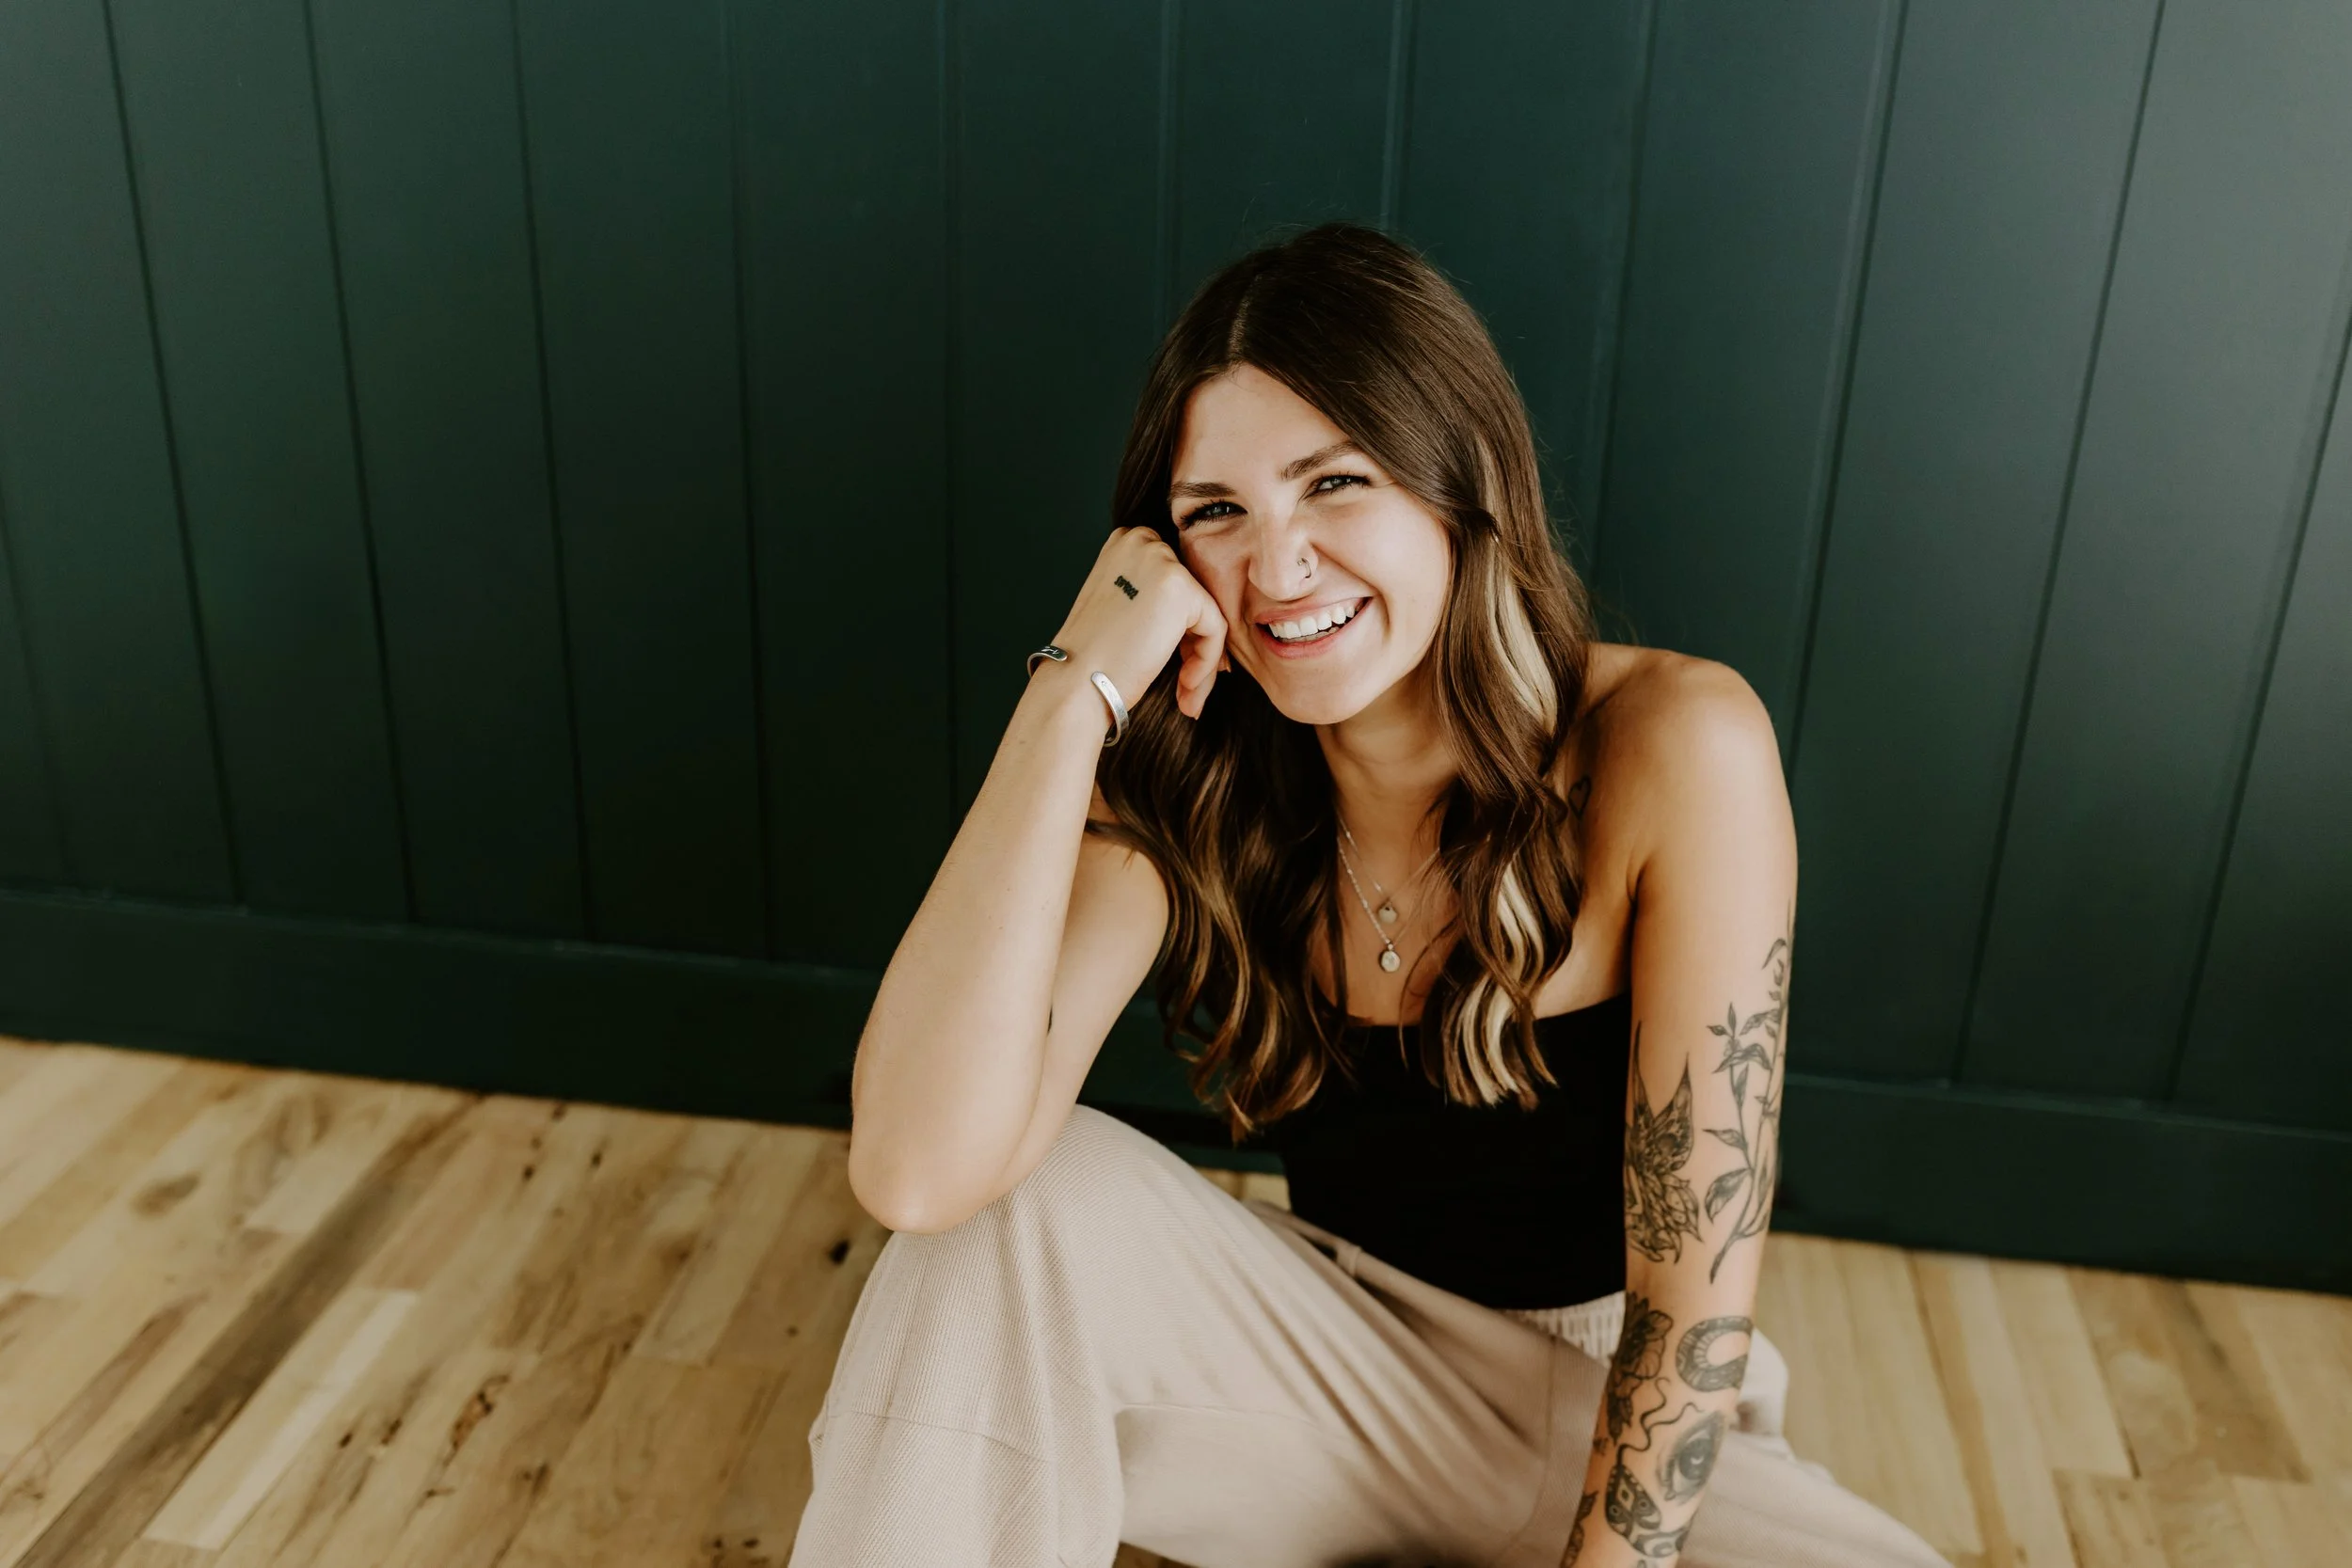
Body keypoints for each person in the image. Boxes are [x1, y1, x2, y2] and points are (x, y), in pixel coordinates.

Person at [789, 223, 1950, 1568]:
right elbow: (918, 1165)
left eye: (1333, 484)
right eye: (1217, 511)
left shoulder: (1676, 744)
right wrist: (1071, 695)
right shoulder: (1194, 773)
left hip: (1626, 1423)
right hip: (1337, 1385)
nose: (1275, 570)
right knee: (1006, 1213)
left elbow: (1687, 1314)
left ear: (1460, 484)